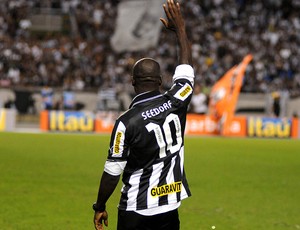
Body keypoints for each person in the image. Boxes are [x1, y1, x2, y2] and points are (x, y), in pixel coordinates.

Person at [92, 0, 195, 229]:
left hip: (136, 210)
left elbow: (113, 171)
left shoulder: (125, 123)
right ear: (160, 81)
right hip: (169, 208)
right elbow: (186, 69)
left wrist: (100, 206)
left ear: (132, 82)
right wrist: (180, 30)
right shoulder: (178, 99)